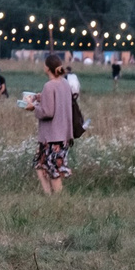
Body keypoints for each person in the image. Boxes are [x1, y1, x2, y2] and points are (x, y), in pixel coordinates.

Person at [31, 52, 77, 196]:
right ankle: (49, 196)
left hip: (52, 136)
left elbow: (48, 112)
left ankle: (58, 200)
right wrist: (42, 98)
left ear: (47, 68)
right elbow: (59, 102)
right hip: (63, 134)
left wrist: (33, 108)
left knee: (53, 171)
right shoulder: (65, 83)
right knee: (40, 165)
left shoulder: (49, 86)